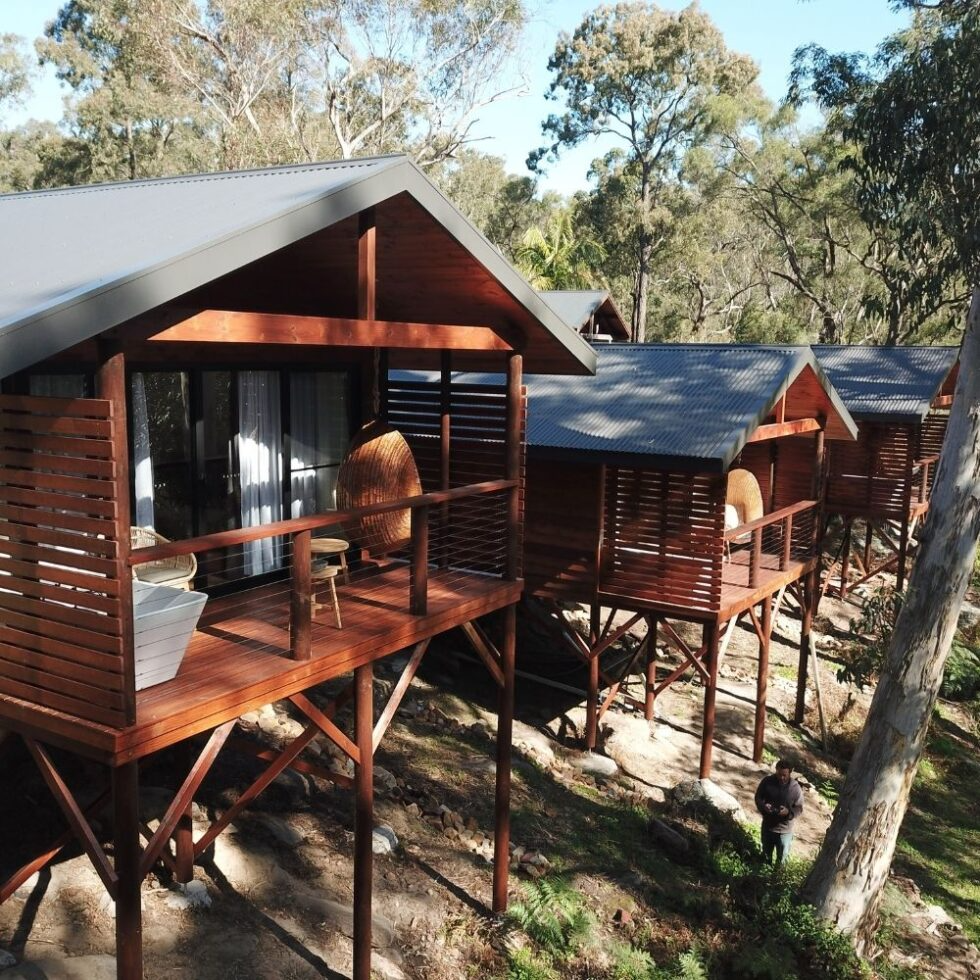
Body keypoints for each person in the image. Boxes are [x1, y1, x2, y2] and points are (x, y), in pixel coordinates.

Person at [754, 759, 804, 866]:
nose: (781, 777)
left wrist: (788, 813)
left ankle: (777, 880)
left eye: (784, 775)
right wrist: (763, 806)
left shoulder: (795, 788)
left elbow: (799, 808)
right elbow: (758, 797)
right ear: (776, 770)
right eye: (779, 774)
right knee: (765, 858)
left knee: (781, 862)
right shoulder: (767, 781)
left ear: (790, 773)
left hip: (784, 831)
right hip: (767, 827)